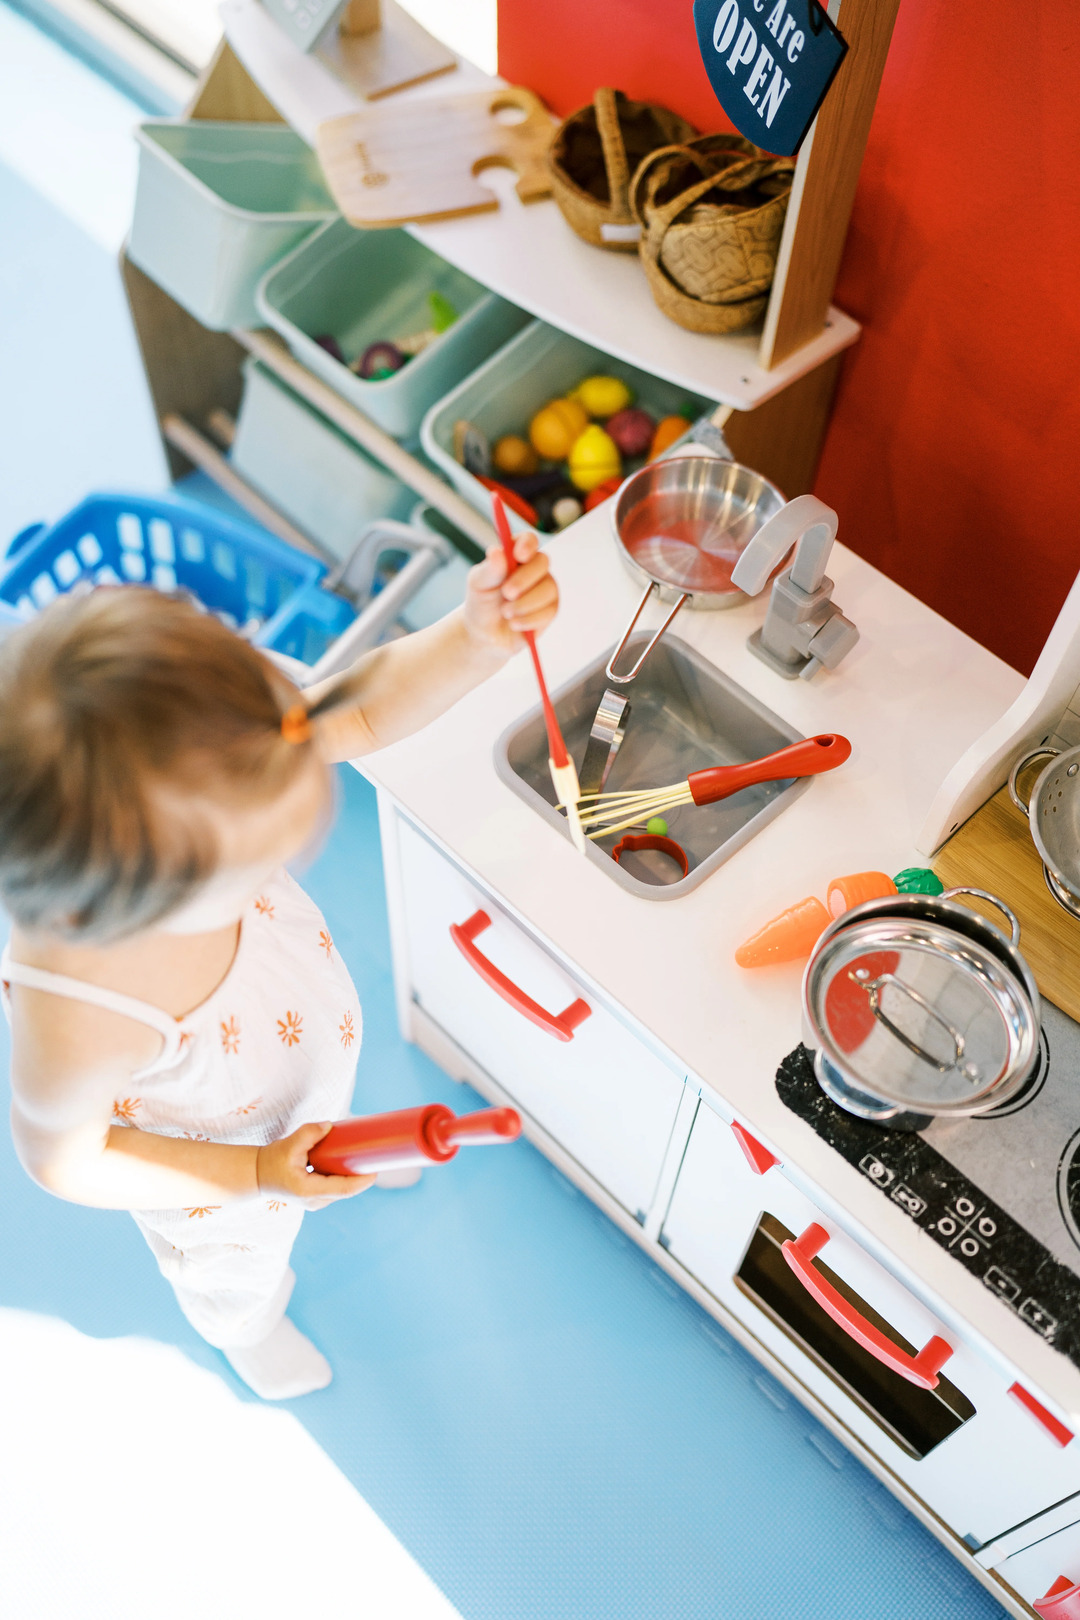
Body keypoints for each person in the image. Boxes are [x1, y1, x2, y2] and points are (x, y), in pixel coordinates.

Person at [0, 530, 557, 1399]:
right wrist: (256, 1174)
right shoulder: (78, 1004)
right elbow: (65, 1161)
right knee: (237, 1265)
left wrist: (474, 635)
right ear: (128, 904)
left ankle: (339, 1141)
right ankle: (245, 1329)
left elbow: (361, 712)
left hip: (284, 1055)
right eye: (256, 863)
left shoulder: (219, 748)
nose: (291, 862)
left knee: (314, 1107)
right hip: (217, 1163)